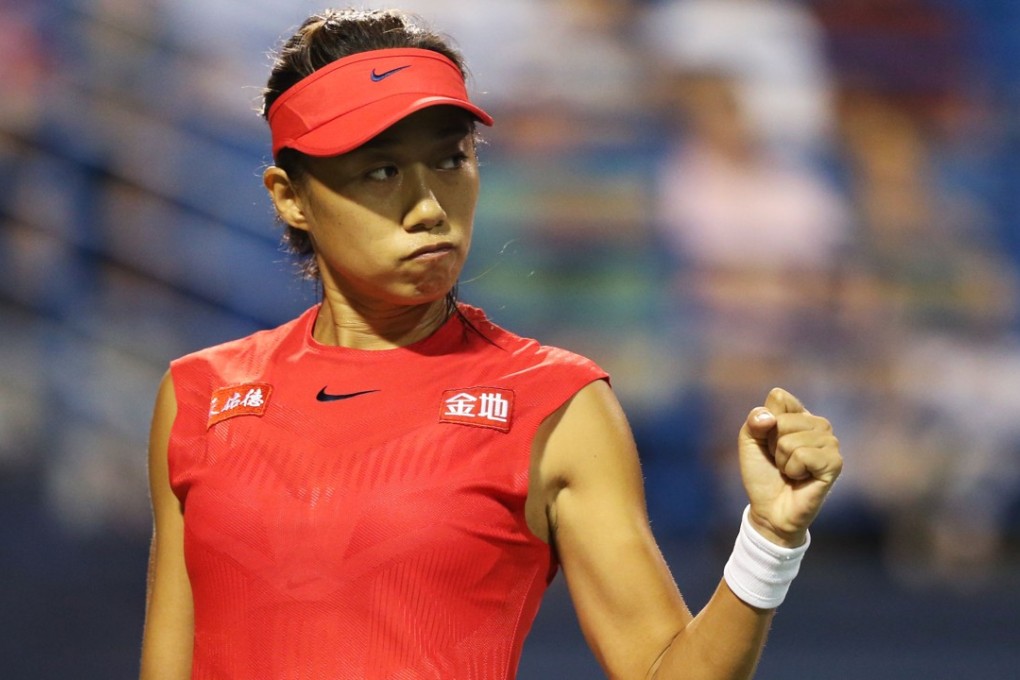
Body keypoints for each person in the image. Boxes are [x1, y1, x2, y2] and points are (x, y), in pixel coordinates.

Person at [139, 8, 842, 679]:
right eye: (381, 171)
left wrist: (768, 539)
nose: (429, 206)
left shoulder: (558, 405)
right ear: (290, 197)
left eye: (451, 161)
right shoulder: (200, 397)